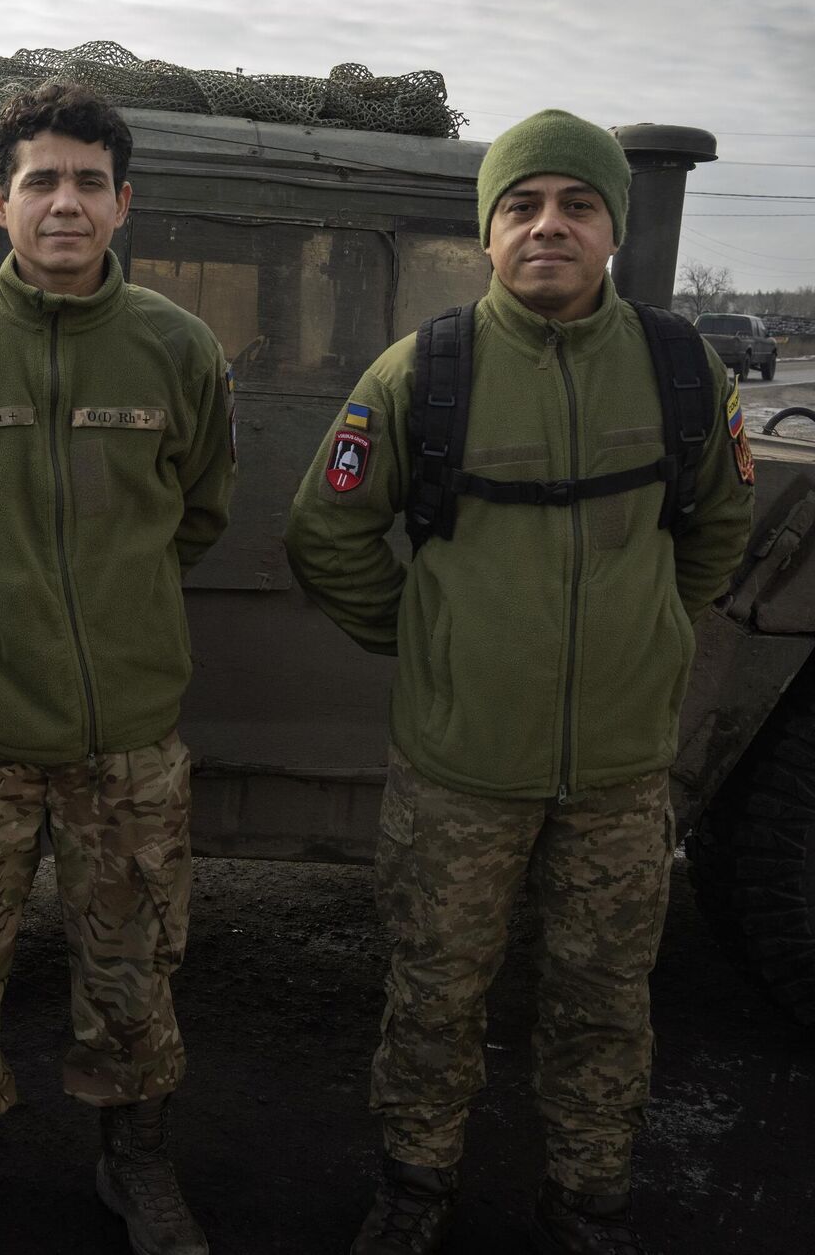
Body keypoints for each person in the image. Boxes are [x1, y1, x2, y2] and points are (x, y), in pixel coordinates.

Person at [283, 109, 754, 1255]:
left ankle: (586, 1200)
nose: (550, 225)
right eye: (523, 206)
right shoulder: (421, 372)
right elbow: (327, 531)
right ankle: (413, 1188)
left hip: (618, 777)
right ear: (488, 234)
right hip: (460, 775)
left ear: (613, 233)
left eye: (577, 205)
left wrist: (653, 631)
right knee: (434, 993)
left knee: (604, 1001)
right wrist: (429, 639)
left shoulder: (682, 368)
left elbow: (719, 522)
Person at [0, 81, 236, 1255]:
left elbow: (201, 512)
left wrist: (119, 627)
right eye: (41, 180)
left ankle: (136, 1159)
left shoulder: (180, 350)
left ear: (124, 203)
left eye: (87, 181)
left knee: (134, 964)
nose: (63, 202)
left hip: (128, 734)